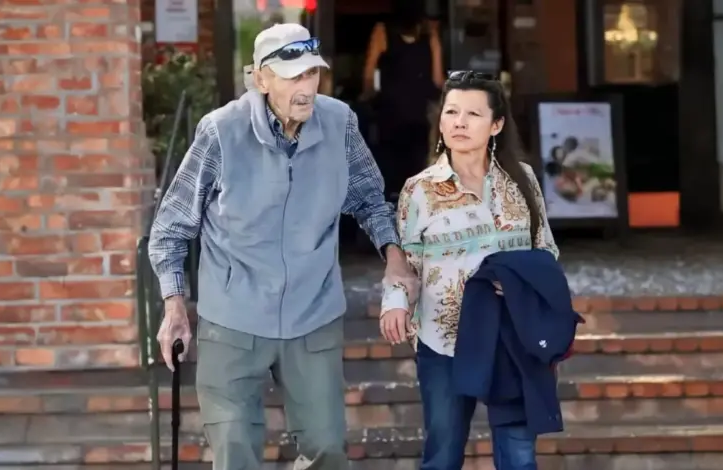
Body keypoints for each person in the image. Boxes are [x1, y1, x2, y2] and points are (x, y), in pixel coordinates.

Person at [149, 23, 418, 470]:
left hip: (312, 314)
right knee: (235, 453)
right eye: (293, 75)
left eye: (312, 73)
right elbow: (172, 227)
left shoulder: (340, 122)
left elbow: (371, 200)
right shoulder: (219, 132)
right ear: (260, 79)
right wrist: (174, 306)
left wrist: (395, 259)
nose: (306, 86)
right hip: (233, 318)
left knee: (327, 450)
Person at [379, 71, 559, 469]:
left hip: (512, 337)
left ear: (496, 125)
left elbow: (545, 250)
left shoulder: (522, 181)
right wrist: (394, 302)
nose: (459, 122)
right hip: (445, 341)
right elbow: (405, 262)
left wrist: (520, 286)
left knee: (518, 456)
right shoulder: (419, 190)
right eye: (452, 112)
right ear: (440, 121)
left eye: (473, 114)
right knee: (443, 455)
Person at [362, 0, 445, 200]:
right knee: (416, 180)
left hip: (390, 117)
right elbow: (438, 80)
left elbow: (368, 76)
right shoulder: (429, 35)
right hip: (418, 118)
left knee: (389, 179)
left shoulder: (382, 31)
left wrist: (367, 96)